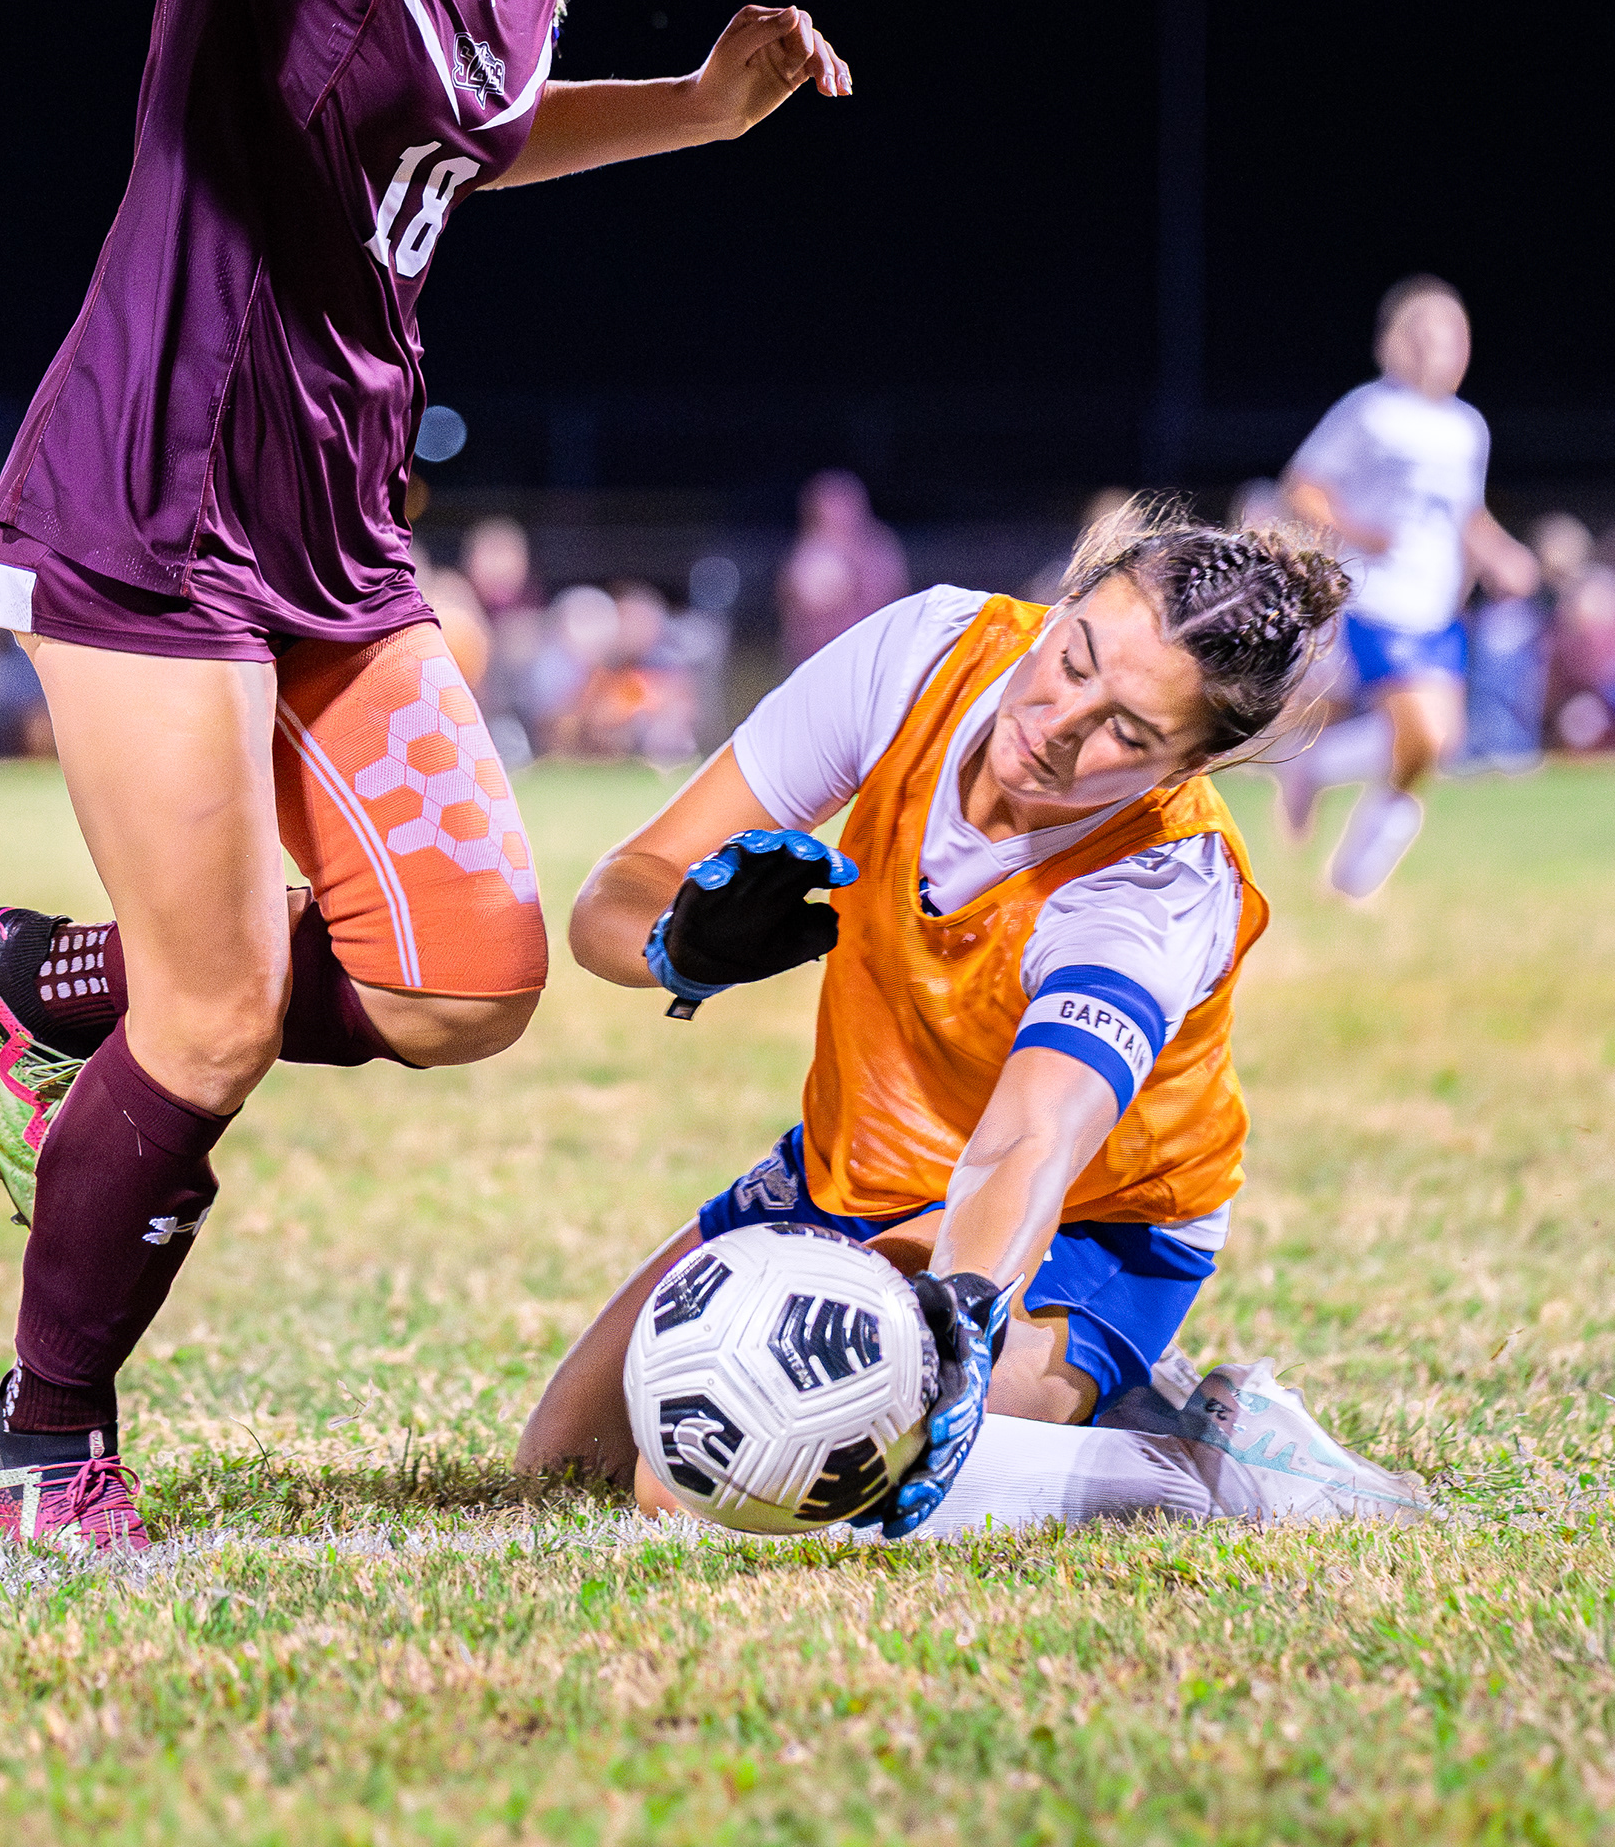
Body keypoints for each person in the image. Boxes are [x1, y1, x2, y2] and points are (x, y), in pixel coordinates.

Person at [0, 0, 851, 1550]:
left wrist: (698, 112)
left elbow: (468, 138)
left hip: (339, 521)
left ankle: (60, 985)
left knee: (464, 984)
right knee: (218, 1020)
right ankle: (43, 1438)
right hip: (165, 496)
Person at [517, 503, 1426, 1535]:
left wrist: (965, 1311)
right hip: (857, 1166)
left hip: (1080, 1222)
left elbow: (1033, 1137)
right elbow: (620, 890)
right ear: (1063, 603)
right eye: (1073, 659)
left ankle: (1209, 1466)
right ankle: (1096, 1402)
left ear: (1185, 767)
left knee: (694, 1487)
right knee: (572, 1459)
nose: (1058, 724)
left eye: (1127, 732)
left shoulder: (1158, 883)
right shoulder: (923, 655)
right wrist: (676, 945)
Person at [1277, 276, 1538, 897]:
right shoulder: (1369, 411)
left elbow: (1464, 516)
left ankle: (1342, 850)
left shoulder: (1467, 428)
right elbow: (1302, 488)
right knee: (1420, 731)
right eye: (1422, 338)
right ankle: (1352, 878)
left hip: (1433, 606)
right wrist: (1358, 533)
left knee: (1434, 747)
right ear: (1393, 343)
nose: (1437, 353)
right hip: (1374, 596)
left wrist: (1503, 555)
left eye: (1451, 340)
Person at [776, 471, 908, 669]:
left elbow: (896, 598)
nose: (843, 515)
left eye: (847, 506)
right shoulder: (809, 558)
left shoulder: (880, 550)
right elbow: (802, 617)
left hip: (873, 657)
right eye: (834, 508)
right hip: (822, 662)